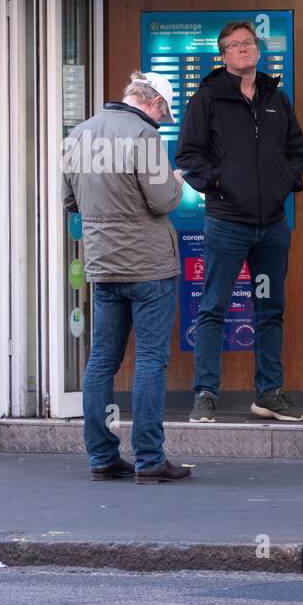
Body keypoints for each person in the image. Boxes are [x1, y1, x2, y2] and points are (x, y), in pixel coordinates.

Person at [175, 20, 303, 424]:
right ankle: (205, 395)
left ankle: (268, 394)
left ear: (258, 49)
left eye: (248, 43)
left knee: (270, 309)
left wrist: (284, 183)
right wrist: (219, 183)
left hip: (272, 226)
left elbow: (296, 149)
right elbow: (188, 156)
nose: (243, 49)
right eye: (234, 45)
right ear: (224, 55)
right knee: (212, 308)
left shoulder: (275, 97)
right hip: (227, 222)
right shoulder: (208, 99)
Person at [62, 71, 187, 483]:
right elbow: (164, 201)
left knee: (102, 360)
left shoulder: (78, 134)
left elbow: (69, 201)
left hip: (103, 265)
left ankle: (101, 457)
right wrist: (175, 181)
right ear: (152, 104)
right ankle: (150, 460)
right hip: (149, 266)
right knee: (150, 360)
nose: (161, 121)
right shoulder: (145, 137)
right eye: (163, 113)